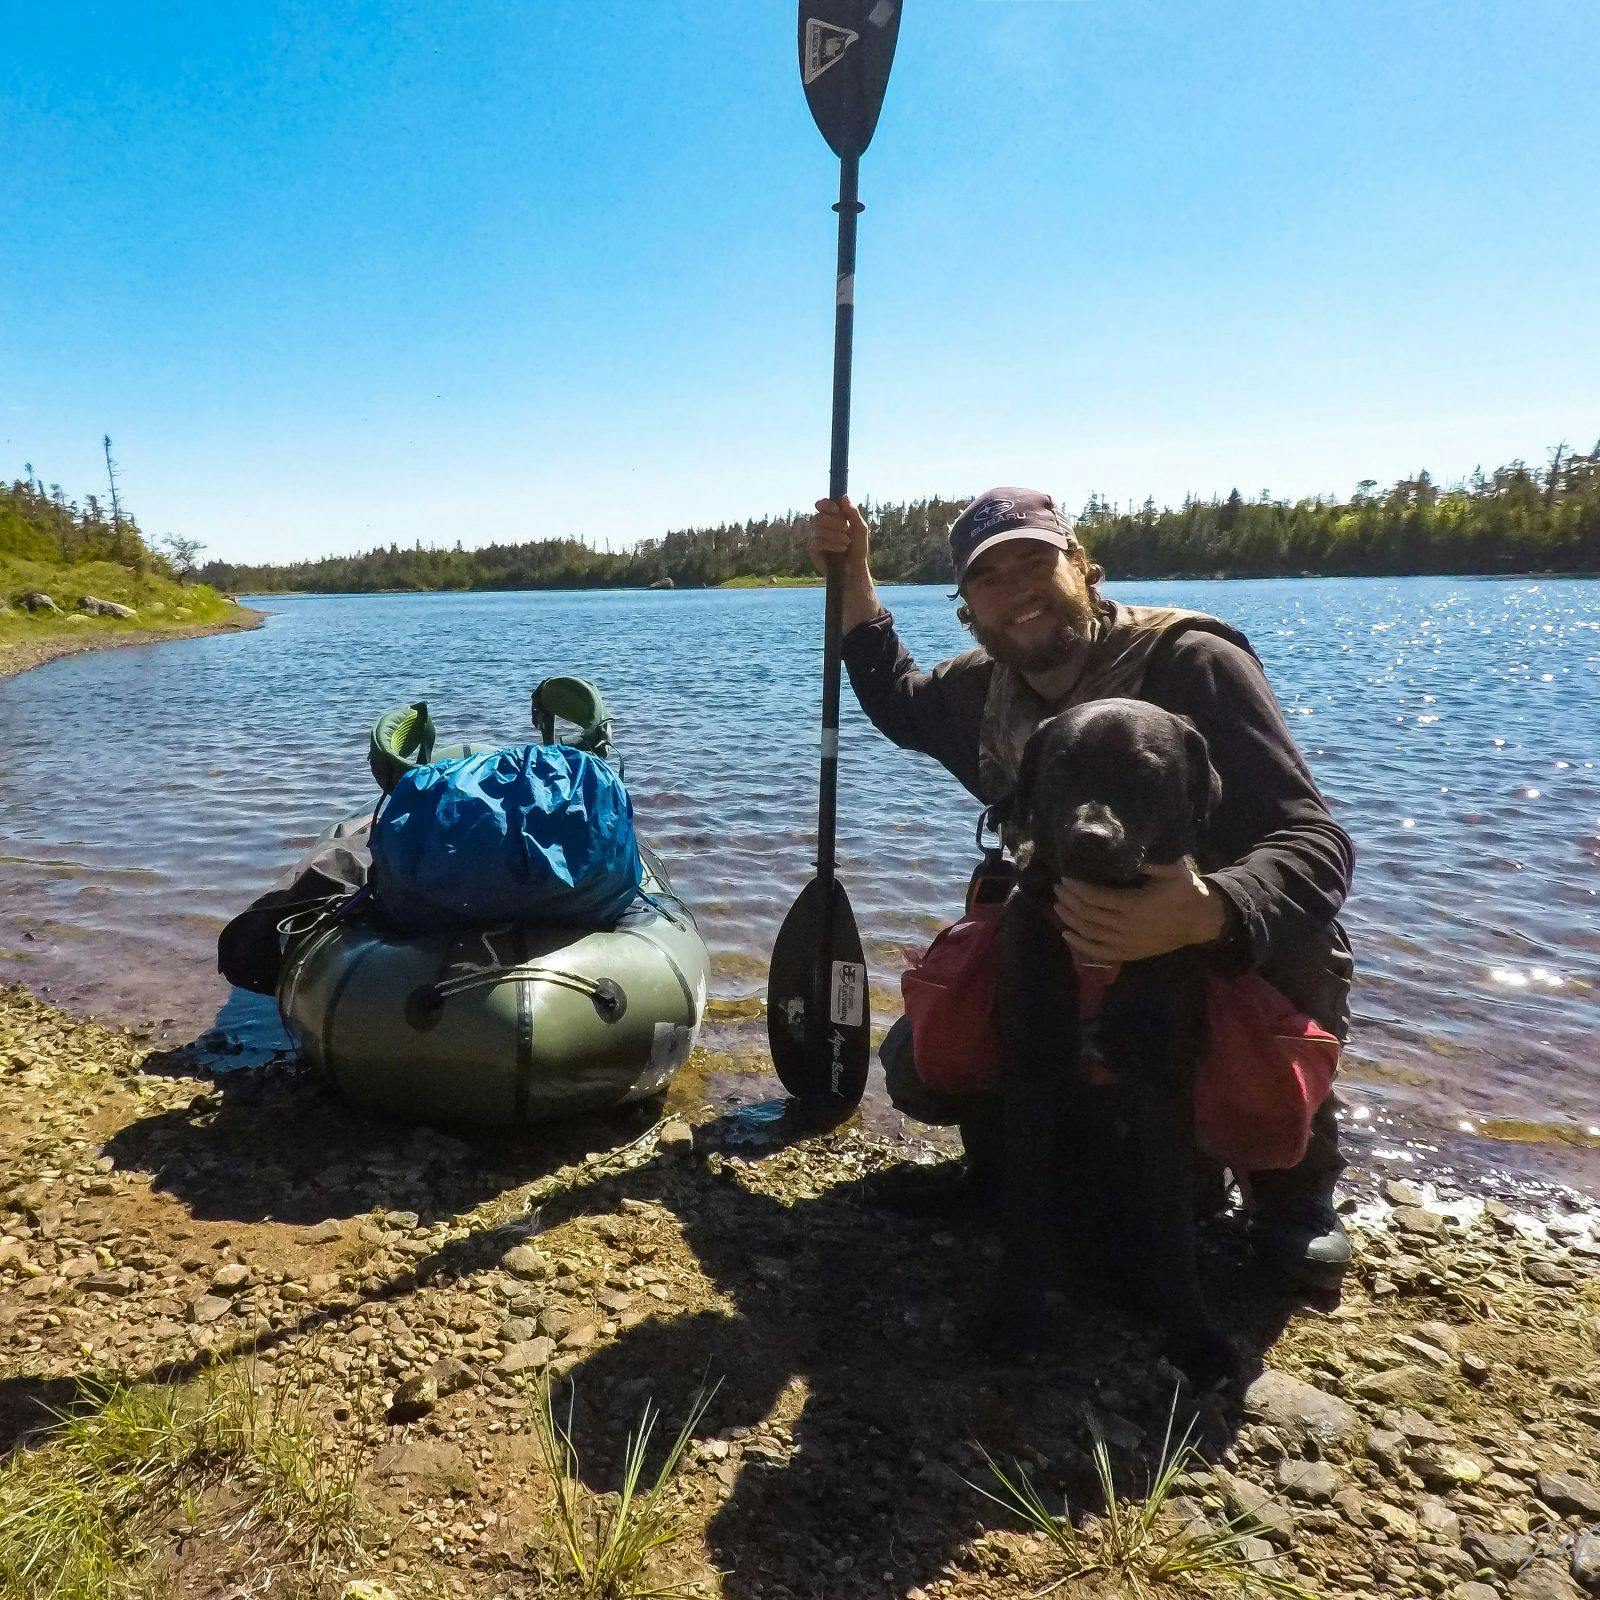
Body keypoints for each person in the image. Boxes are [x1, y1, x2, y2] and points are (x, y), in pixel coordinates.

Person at [811, 486, 1356, 1289]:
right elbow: (894, 696)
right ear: (968, 608)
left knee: (1294, 939)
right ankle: (1008, 1168)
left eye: (1037, 562)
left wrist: (1209, 910)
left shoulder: (1194, 663)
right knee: (930, 1059)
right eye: (990, 579)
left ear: (1083, 568)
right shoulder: (978, 690)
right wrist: (853, 569)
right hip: (1074, 946)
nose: (1018, 591)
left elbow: (1315, 844)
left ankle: (1293, 1193)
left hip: (1211, 949)